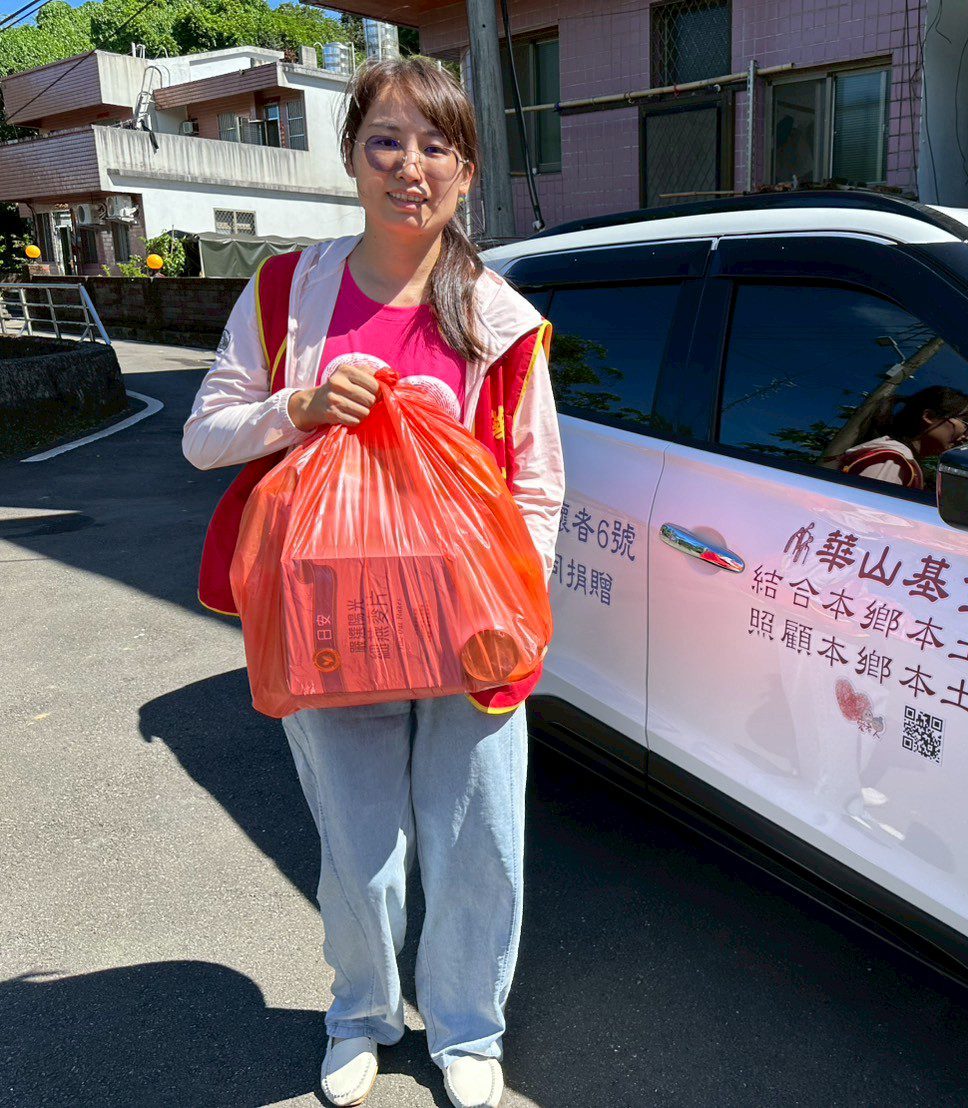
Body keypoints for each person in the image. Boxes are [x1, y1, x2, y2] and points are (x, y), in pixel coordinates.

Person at [181, 59, 563, 1108]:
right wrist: (298, 406)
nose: (411, 166)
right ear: (350, 156)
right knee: (360, 843)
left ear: (467, 170)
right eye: (386, 140)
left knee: (479, 837)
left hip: (469, 625)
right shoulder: (286, 291)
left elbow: (536, 489)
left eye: (437, 144)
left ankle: (467, 1026)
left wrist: (517, 612)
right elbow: (203, 434)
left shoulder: (500, 318)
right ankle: (359, 1013)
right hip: (328, 624)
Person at [836, 385, 968, 490]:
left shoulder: (900, 460)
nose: (967, 437)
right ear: (929, 417)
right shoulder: (892, 461)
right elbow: (862, 519)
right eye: (967, 425)